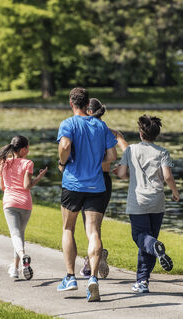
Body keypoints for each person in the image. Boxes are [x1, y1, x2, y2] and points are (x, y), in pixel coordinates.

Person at [56, 87, 118, 302]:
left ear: (72, 103)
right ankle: (93, 278)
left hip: (73, 184)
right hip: (97, 186)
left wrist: (63, 162)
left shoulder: (69, 123)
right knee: (93, 231)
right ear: (86, 104)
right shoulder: (101, 126)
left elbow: (64, 145)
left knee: (68, 228)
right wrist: (94, 163)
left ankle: (71, 277)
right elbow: (112, 154)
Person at [114, 115, 180, 293]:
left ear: (140, 132)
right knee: (148, 238)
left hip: (138, 202)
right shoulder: (162, 152)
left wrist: (121, 172)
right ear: (156, 134)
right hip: (157, 202)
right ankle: (143, 281)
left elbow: (121, 173)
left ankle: (150, 262)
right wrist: (175, 191)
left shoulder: (131, 150)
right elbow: (167, 176)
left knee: (141, 237)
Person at [0, 135, 47, 280]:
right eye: (28, 147)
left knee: (15, 234)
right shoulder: (28, 163)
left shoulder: (3, 163)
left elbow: (2, 187)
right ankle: (15, 268)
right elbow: (26, 186)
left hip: (10, 203)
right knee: (19, 235)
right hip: (25, 204)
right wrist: (39, 177)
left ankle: (21, 257)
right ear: (24, 149)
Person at [79, 98, 129, 279]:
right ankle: (96, 256)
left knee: (90, 224)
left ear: (89, 112)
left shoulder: (87, 132)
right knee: (93, 225)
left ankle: (91, 259)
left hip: (93, 179)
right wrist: (123, 169)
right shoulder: (111, 132)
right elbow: (128, 151)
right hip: (103, 180)